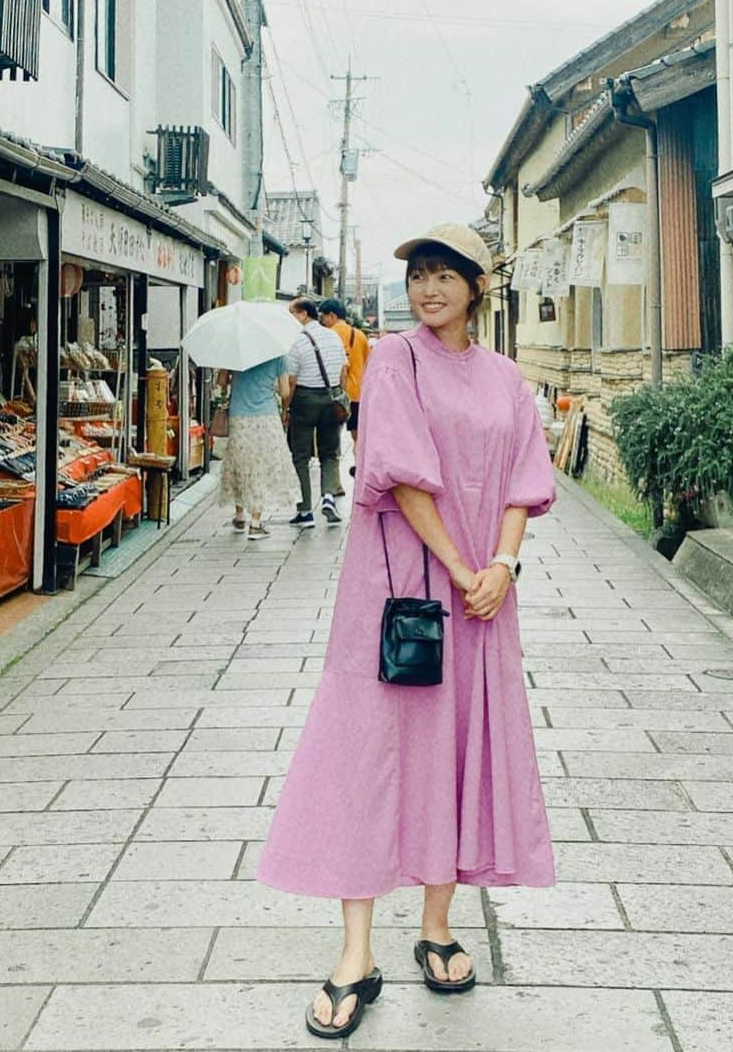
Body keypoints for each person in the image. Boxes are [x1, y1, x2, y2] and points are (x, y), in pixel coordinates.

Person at [257, 225, 556, 1040]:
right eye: (418, 275)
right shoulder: (394, 359)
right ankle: (355, 954)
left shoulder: (506, 380)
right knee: (373, 751)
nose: (428, 290)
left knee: (456, 745)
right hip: (401, 594)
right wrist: (463, 568)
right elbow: (398, 470)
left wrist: (501, 564)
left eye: (443, 275)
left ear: (476, 286)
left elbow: (525, 483)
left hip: (483, 594)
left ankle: (436, 925)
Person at [214, 354, 298, 540]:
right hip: (266, 418)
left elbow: (221, 382)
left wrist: (228, 370)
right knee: (260, 467)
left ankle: (239, 515)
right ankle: (256, 523)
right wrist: (271, 386)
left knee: (240, 465)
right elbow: (285, 392)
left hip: (239, 418)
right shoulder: (278, 356)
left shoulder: (235, 353)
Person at [285, 297, 349, 528]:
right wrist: (339, 395)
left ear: (303, 314)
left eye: (292, 313)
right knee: (330, 452)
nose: (290, 317)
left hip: (305, 399)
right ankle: (329, 498)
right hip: (332, 398)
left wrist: (285, 408)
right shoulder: (333, 336)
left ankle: (305, 511)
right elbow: (343, 371)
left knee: (301, 456)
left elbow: (291, 381)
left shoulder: (297, 341)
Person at [317, 298, 371, 458]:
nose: (322, 321)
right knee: (359, 437)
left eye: (323, 317)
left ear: (332, 315)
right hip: (358, 394)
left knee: (332, 437)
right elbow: (369, 362)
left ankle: (335, 475)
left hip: (336, 394)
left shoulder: (328, 336)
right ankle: (361, 468)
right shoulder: (360, 335)